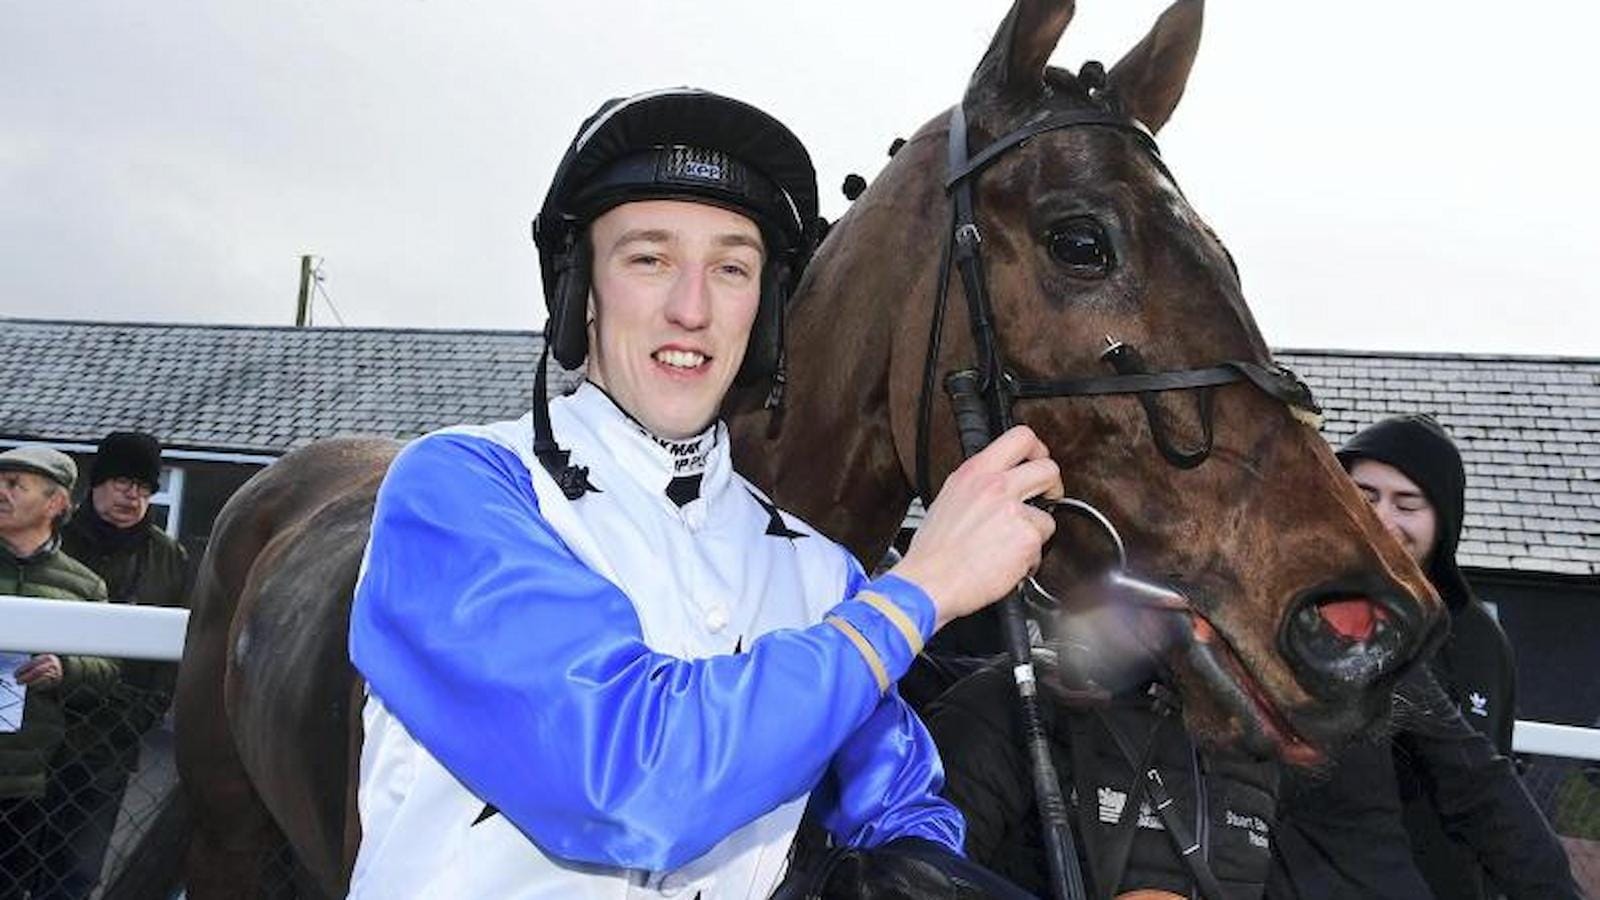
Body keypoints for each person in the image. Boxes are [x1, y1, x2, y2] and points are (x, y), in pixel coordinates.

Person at [345, 87, 1062, 899]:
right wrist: (923, 589)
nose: (692, 309)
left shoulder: (825, 575)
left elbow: (903, 817)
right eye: (649, 258)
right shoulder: (460, 489)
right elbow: (628, 777)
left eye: (731, 268)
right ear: (579, 286)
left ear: (765, 313)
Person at [1267, 414, 1583, 900]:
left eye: (1407, 503)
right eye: (1365, 495)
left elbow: (1485, 786)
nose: (1381, 518)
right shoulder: (1282, 615)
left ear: (1443, 520)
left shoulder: (1480, 641)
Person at [35, 432, 190, 899]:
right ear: (96, 482)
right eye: (123, 482)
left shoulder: (169, 558)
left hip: (109, 742)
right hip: (36, 729)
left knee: (77, 874)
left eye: (145, 487)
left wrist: (137, 718)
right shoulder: (51, 540)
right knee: (18, 861)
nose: (133, 496)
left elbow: (170, 657)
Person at [0, 447, 117, 900]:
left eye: (16, 485)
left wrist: (65, 669)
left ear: (56, 504)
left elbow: (108, 669)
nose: (2, 492)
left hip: (27, 781)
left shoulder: (84, 586)